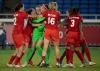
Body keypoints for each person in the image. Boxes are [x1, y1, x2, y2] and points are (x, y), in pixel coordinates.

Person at [7, 3, 34, 68]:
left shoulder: (15, 13)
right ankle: (16, 63)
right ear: (21, 8)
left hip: (14, 33)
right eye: (23, 7)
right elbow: (31, 16)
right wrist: (39, 16)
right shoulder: (22, 14)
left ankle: (10, 63)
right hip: (18, 33)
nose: (24, 8)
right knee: (21, 48)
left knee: (17, 49)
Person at [41, 2, 61, 67]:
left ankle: (43, 61)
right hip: (54, 31)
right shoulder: (58, 13)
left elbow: (41, 17)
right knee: (56, 47)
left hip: (47, 30)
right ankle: (58, 63)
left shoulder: (46, 12)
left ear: (50, 6)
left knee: (45, 47)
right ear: (55, 6)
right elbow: (59, 22)